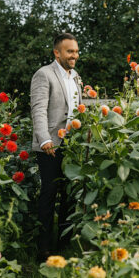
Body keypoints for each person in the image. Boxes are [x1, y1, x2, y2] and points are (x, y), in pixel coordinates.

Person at [30, 32, 82, 261]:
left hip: (72, 145)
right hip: (50, 145)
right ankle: (43, 249)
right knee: (49, 195)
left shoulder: (75, 76)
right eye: (70, 51)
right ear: (57, 53)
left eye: (76, 51)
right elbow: (38, 109)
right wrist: (44, 139)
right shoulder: (44, 74)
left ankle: (63, 245)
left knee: (69, 195)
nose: (74, 55)